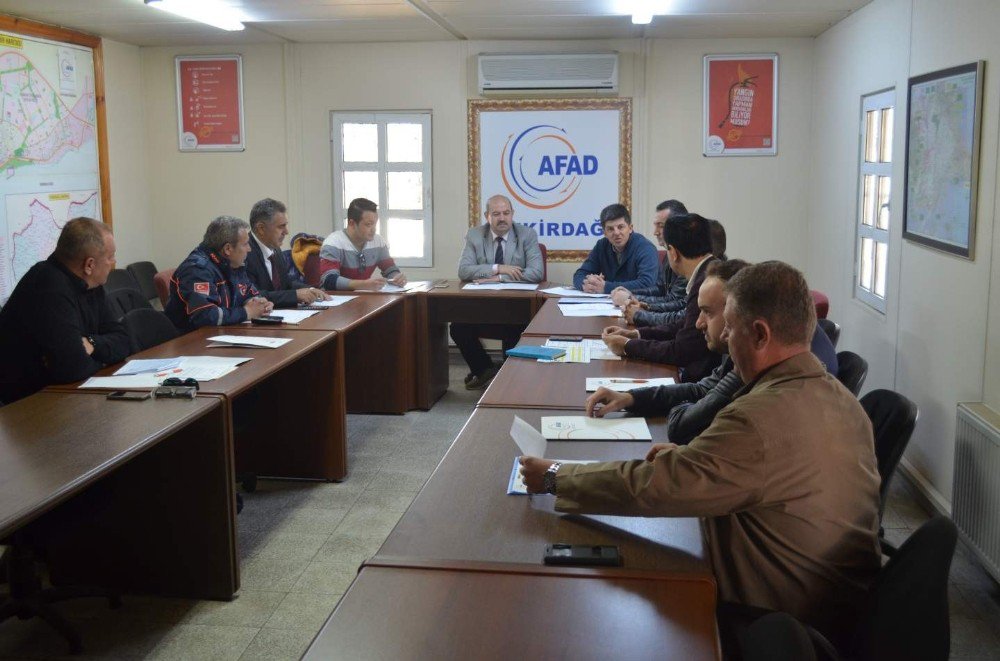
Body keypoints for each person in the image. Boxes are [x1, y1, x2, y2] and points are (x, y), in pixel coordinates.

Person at [520, 261, 881, 652]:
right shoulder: (841, 400)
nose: (723, 337)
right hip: (834, 598)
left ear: (759, 334)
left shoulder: (758, 418)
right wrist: (702, 456)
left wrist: (556, 476)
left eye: (730, 327)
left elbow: (654, 486)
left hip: (779, 621)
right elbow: (770, 470)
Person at [588, 259, 838, 444]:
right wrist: (631, 397)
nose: (698, 324)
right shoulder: (779, 344)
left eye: (708, 312)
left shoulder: (760, 360)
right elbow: (703, 390)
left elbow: (682, 426)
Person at [0, 217, 129, 403]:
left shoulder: (93, 284)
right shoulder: (47, 286)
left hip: (67, 394)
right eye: (110, 257)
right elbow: (73, 368)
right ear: (89, 265)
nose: (114, 262)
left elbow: (124, 341)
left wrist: (91, 344)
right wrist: (102, 357)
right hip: (29, 404)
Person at [603, 213, 721, 382]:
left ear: (673, 253)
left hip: (699, 380)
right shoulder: (710, 270)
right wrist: (636, 334)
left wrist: (628, 346)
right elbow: (682, 325)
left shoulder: (707, 283)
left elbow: (682, 350)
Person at [453, 194, 543, 389]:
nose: (502, 218)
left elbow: (536, 272)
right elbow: (464, 270)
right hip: (482, 307)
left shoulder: (526, 234)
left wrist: (500, 278)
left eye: (506, 213)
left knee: (514, 324)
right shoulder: (475, 235)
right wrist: (498, 268)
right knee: (458, 327)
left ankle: (507, 380)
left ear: (512, 214)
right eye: (496, 214)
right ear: (487, 216)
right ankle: (484, 369)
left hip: (514, 307)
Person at [165, 215, 273, 332]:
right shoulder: (197, 270)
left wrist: (260, 304)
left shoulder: (233, 263)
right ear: (228, 249)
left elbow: (248, 292)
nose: (249, 249)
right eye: (245, 244)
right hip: (190, 342)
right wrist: (247, 312)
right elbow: (205, 316)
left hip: (224, 334)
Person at [609, 199, 689, 325]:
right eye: (655, 225)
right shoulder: (670, 251)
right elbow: (660, 288)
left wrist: (634, 301)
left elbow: (677, 302)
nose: (655, 232)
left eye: (661, 226)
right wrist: (631, 294)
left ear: (679, 226)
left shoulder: (688, 255)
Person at [245, 198, 327, 307]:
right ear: (261, 228)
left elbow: (286, 284)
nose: (287, 232)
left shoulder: (275, 249)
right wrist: (294, 296)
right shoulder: (244, 252)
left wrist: (310, 289)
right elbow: (252, 296)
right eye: (281, 226)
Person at [318, 198, 405, 290]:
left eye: (375, 224)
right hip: (335, 298)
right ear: (352, 223)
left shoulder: (378, 242)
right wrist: (363, 284)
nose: (374, 229)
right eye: (368, 224)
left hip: (362, 296)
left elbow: (390, 269)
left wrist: (397, 277)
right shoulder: (333, 243)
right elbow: (328, 280)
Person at [572, 203, 659, 294]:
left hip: (643, 303)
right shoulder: (601, 245)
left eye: (620, 227)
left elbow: (647, 283)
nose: (616, 233)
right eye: (610, 229)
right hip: (609, 303)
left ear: (630, 228)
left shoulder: (645, 247)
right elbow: (579, 274)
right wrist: (586, 284)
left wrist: (606, 287)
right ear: (604, 233)